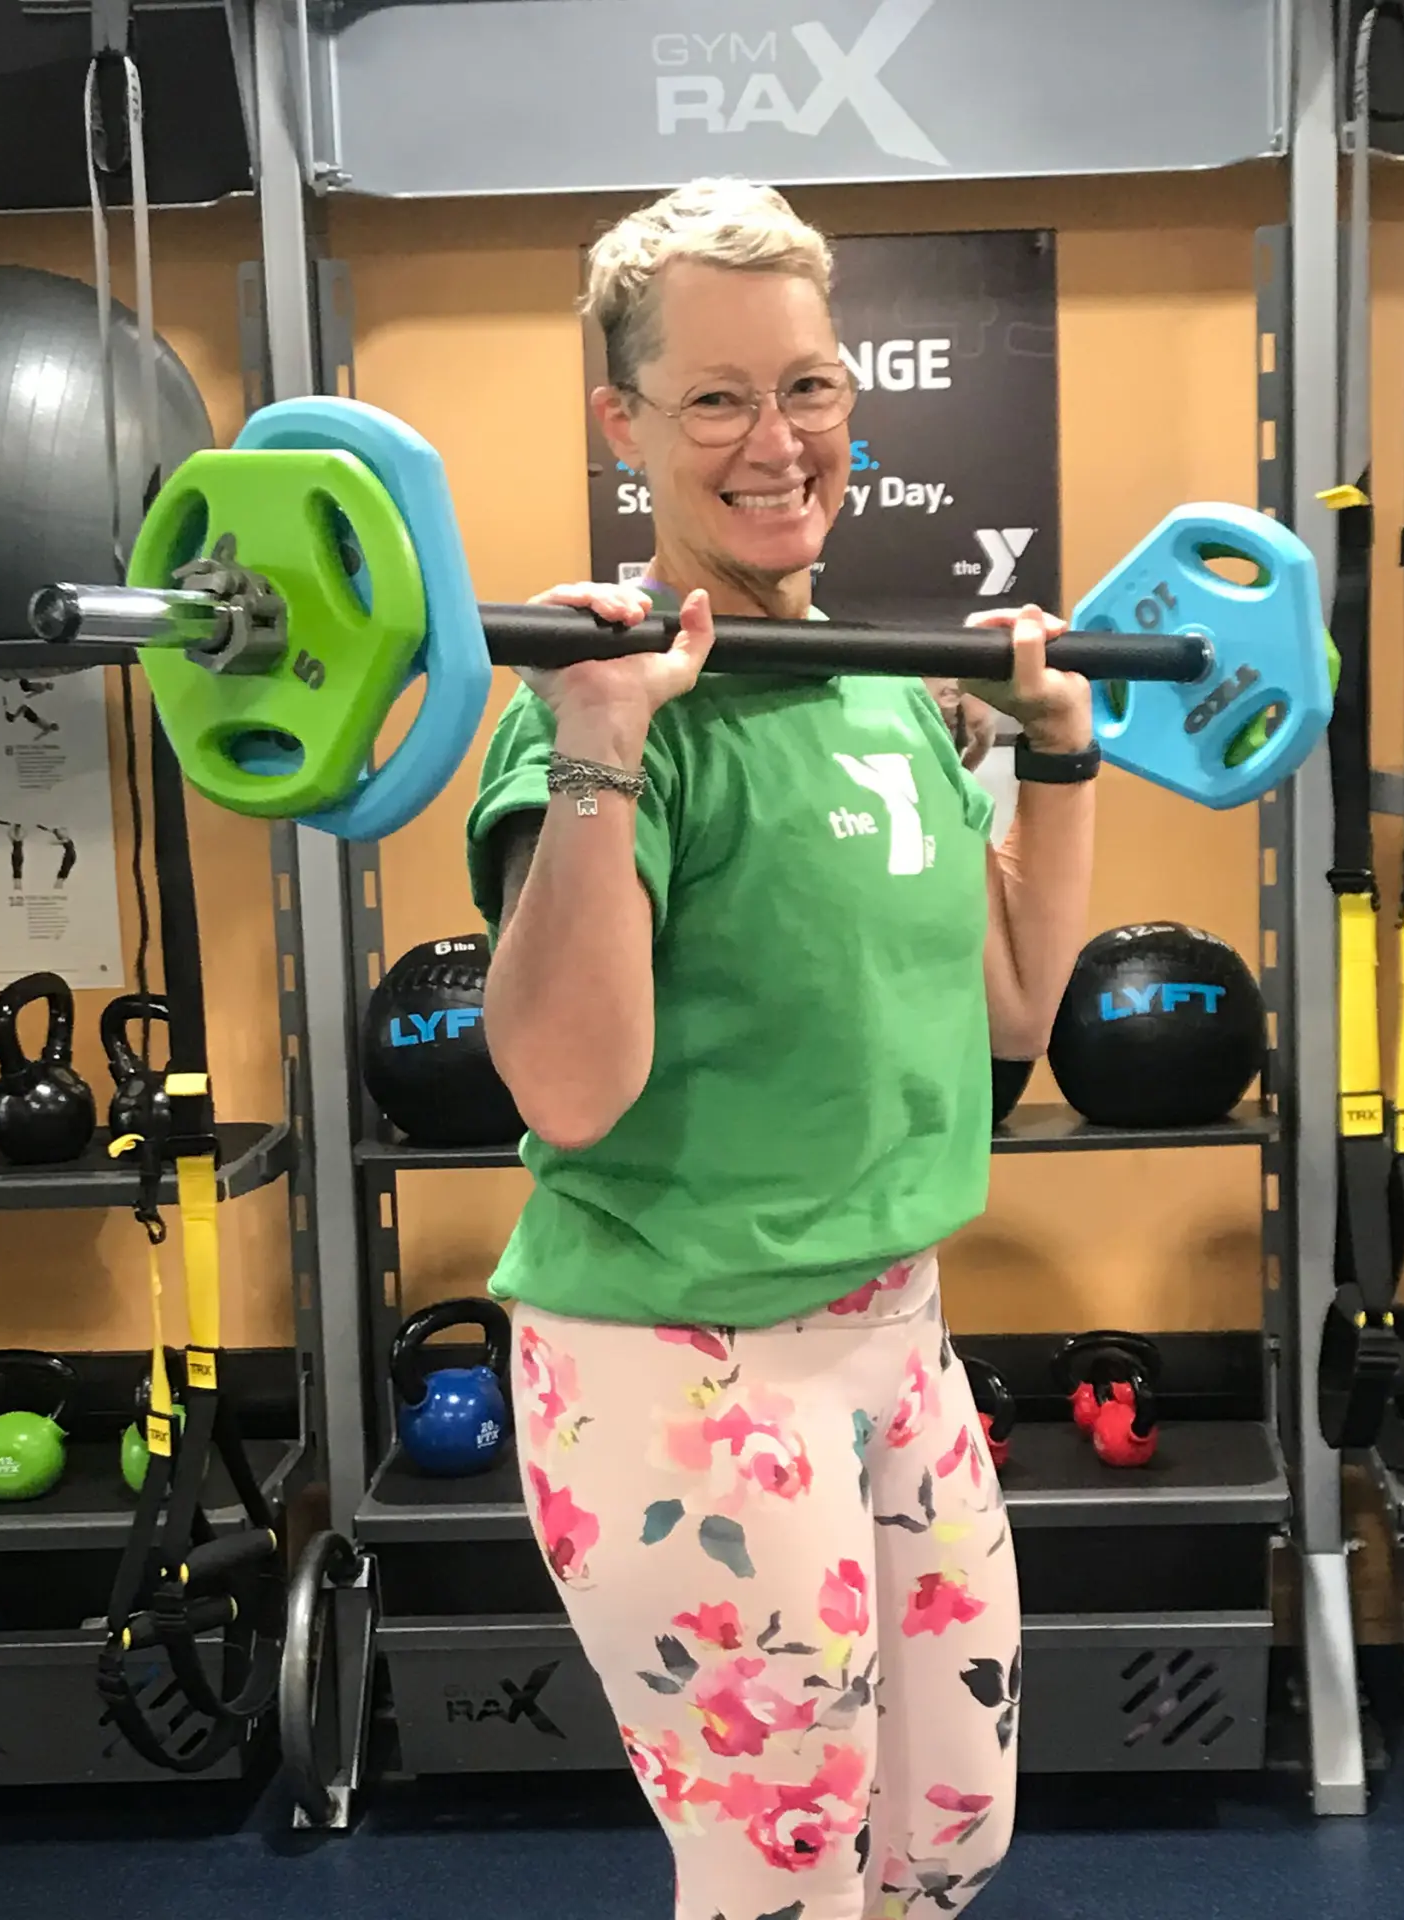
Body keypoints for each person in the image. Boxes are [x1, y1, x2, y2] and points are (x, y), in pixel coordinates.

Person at [465, 179, 1096, 1920]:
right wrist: (593, 750)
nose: (778, 440)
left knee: (945, 1848)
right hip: (679, 1360)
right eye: (719, 398)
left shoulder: (892, 683)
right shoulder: (610, 712)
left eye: (807, 387)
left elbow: (1013, 1010)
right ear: (628, 421)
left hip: (896, 1334)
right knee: (781, 1883)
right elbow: (568, 1091)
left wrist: (1058, 755)